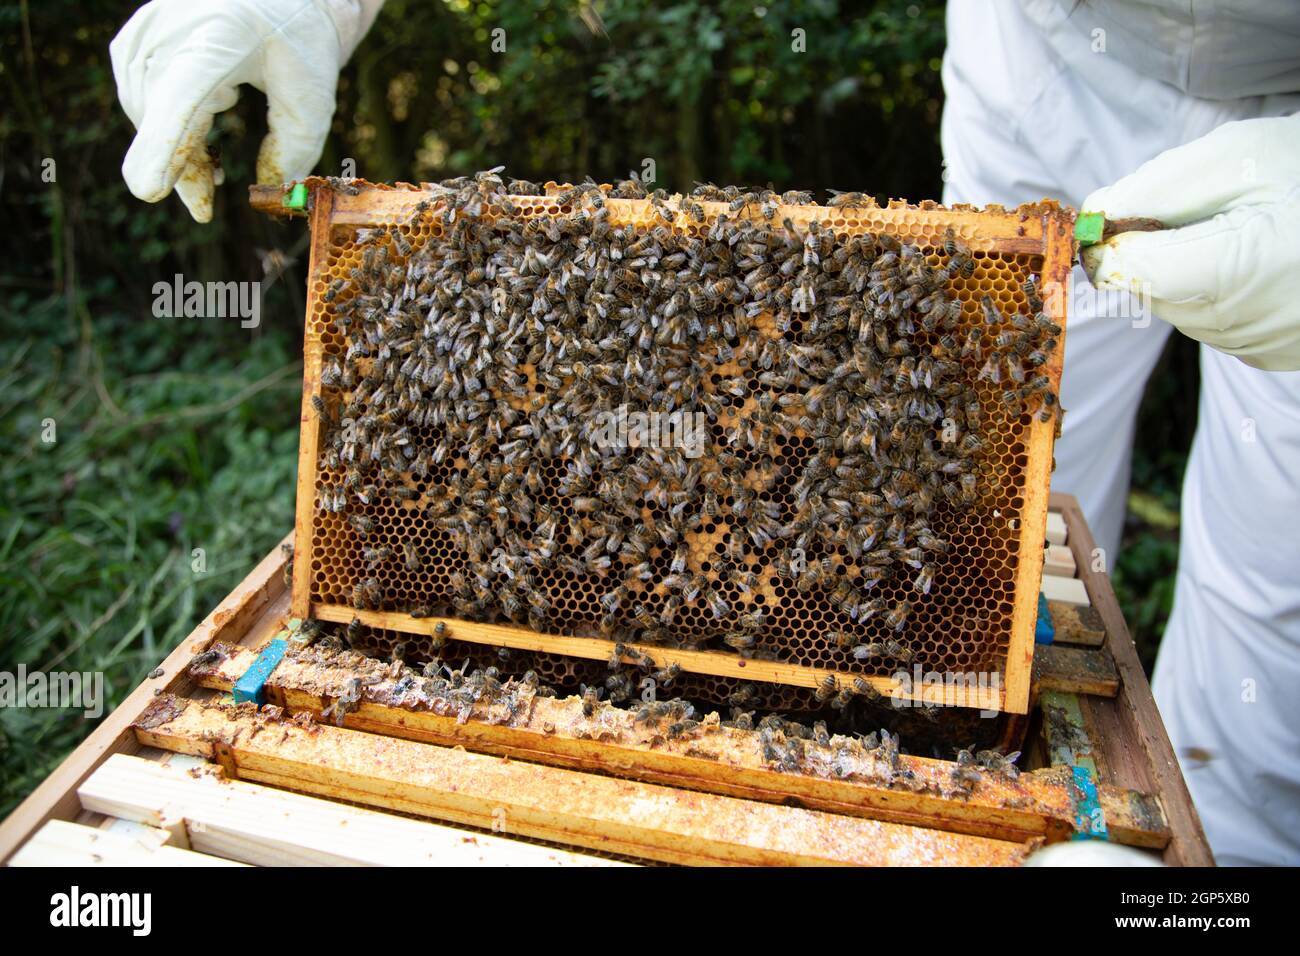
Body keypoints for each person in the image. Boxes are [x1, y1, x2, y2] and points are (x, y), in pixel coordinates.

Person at [111, 0, 1300, 864]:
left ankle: (1220, 858)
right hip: (1049, 57)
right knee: (981, 503)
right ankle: (960, 731)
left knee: (1276, 611)